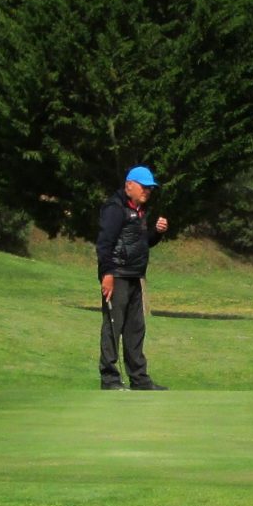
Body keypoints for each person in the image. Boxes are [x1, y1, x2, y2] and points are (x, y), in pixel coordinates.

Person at [96, 165, 169, 390]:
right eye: (144, 187)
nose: (147, 191)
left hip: (135, 275)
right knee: (113, 327)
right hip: (117, 275)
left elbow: (142, 243)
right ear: (129, 185)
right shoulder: (114, 208)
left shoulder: (140, 211)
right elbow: (104, 244)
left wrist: (157, 233)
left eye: (150, 188)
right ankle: (110, 379)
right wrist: (107, 274)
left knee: (135, 329)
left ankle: (139, 379)